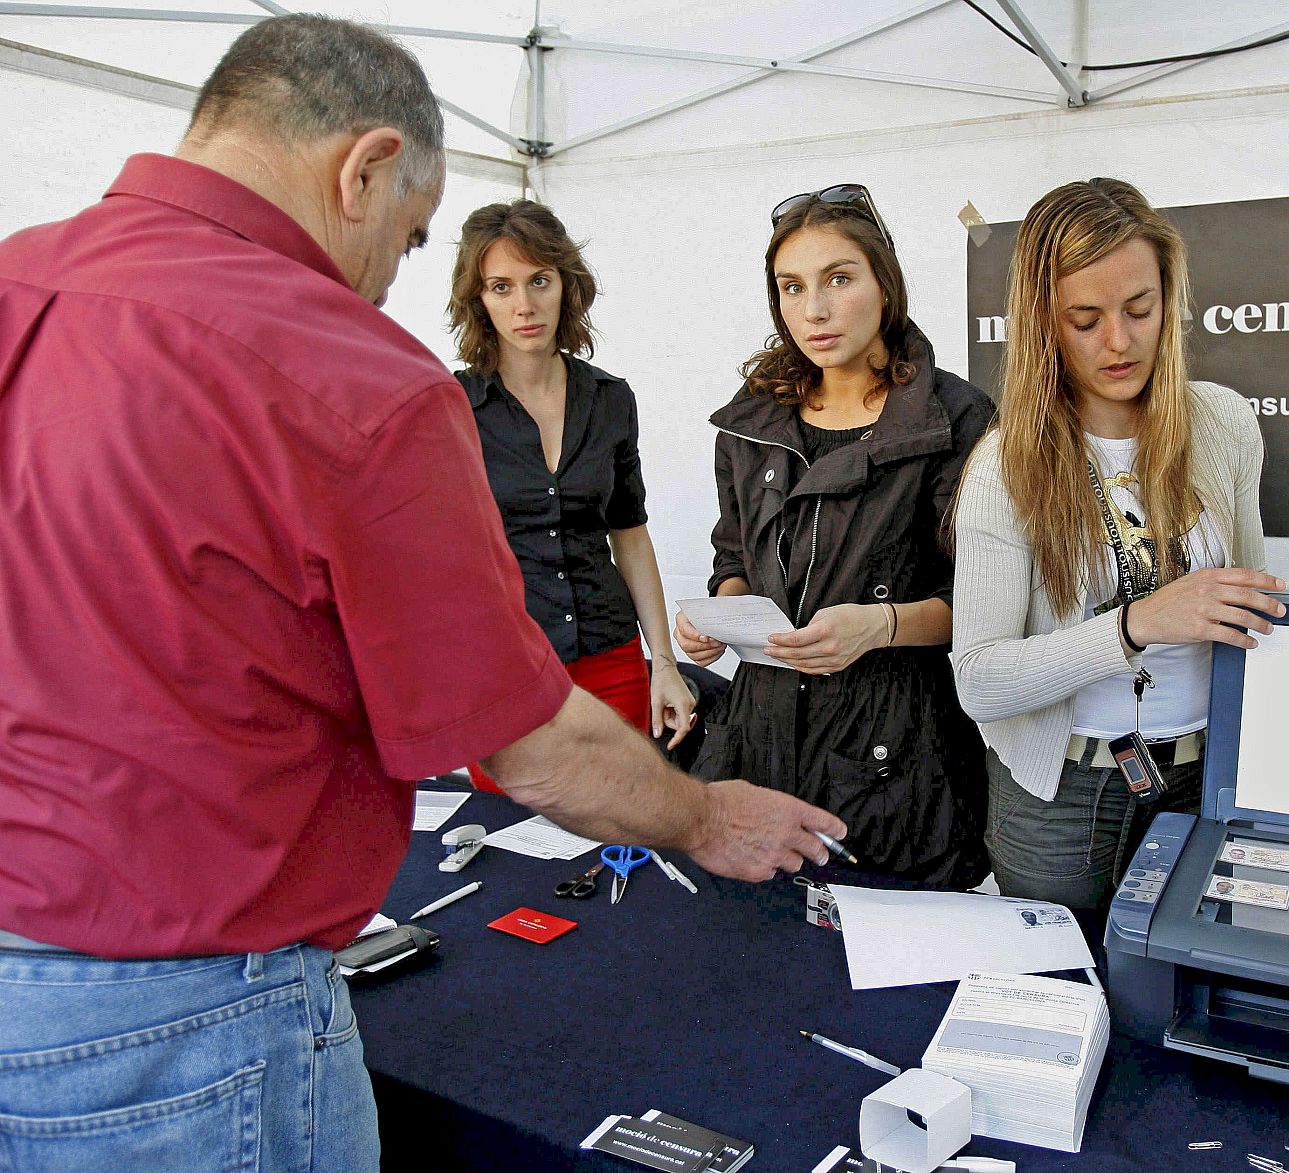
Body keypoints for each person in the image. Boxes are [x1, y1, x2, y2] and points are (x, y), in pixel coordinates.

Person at [0, 16, 842, 1172]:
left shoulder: (18, 281)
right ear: (366, 167)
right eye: (404, 237)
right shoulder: (353, 376)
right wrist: (705, 818)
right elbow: (529, 748)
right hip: (192, 1019)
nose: (385, 276)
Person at [950, 177, 1285, 932]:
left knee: (1187, 984)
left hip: (1204, 776)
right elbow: (979, 680)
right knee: (1064, 985)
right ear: (1042, 324)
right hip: (1062, 798)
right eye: (1086, 319)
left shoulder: (1225, 425)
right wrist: (1137, 625)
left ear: (1170, 300)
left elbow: (1247, 605)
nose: (1120, 342)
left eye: (1140, 309)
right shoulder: (1005, 466)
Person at [674, 184, 993, 888]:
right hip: (759, 739)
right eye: (792, 287)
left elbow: (990, 603)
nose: (813, 310)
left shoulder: (956, 420)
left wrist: (879, 626)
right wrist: (720, 616)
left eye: (838, 279)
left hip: (894, 757)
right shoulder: (751, 422)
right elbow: (734, 555)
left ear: (885, 285)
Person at [447, 200, 696, 783]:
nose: (524, 305)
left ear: (566, 283)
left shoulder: (611, 399)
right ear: (479, 301)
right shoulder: (452, 407)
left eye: (539, 280)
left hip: (611, 658)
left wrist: (664, 662)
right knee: (511, 833)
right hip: (506, 671)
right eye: (501, 287)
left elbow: (630, 536)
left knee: (625, 819)